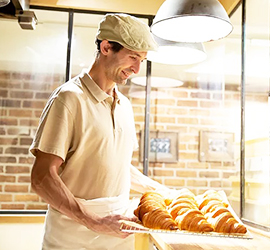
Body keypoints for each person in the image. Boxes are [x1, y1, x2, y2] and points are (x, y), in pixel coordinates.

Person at [30, 13, 169, 250]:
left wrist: (165, 192)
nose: (136, 68)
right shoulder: (69, 99)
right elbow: (42, 178)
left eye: (142, 60)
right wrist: (94, 221)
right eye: (133, 57)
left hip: (118, 234)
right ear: (106, 47)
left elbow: (116, 165)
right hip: (72, 238)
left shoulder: (124, 106)